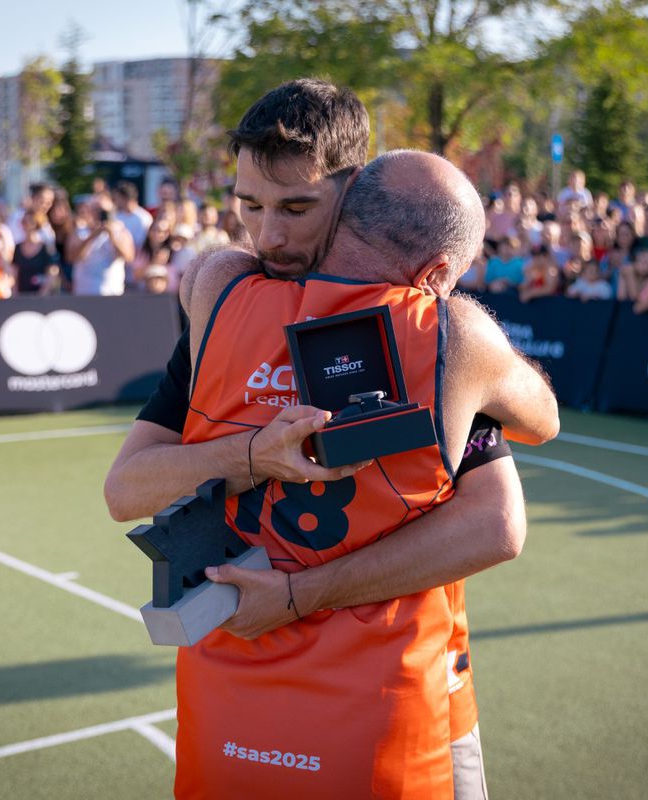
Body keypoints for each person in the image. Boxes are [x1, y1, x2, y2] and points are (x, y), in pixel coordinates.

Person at [105, 78, 540, 799]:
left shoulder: (428, 333)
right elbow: (126, 491)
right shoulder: (226, 300)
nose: (268, 234)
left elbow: (496, 523)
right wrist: (249, 457)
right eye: (248, 206)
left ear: (353, 197)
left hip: (394, 705)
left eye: (296, 208)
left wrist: (302, 592)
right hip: (246, 701)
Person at [67, 198, 132, 296]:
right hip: (84, 293)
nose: (99, 215)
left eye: (104, 212)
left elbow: (128, 257)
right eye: (95, 210)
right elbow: (72, 258)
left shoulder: (121, 231)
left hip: (112, 292)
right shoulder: (79, 232)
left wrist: (112, 236)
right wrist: (92, 236)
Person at [12, 212, 60, 295]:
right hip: (22, 296)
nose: (26, 225)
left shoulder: (46, 248)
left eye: (30, 222)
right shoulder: (17, 248)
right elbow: (14, 272)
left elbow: (53, 271)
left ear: (37, 224)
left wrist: (43, 292)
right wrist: (15, 292)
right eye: (24, 222)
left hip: (42, 298)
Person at [112, 180, 154, 256]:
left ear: (124, 197)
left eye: (116, 197)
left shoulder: (143, 218)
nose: (115, 201)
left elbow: (143, 244)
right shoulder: (117, 216)